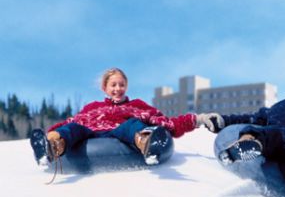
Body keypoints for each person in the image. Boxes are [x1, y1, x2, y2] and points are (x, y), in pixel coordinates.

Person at [30, 67, 222, 166]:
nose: (118, 89)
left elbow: (167, 123)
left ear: (126, 86)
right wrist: (53, 132)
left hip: (122, 133)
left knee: (132, 124)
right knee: (72, 129)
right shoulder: (92, 107)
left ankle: (146, 144)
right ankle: (52, 147)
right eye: (113, 85)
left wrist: (198, 120)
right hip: (91, 133)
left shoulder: (137, 105)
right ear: (105, 88)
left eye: (121, 84)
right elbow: (71, 122)